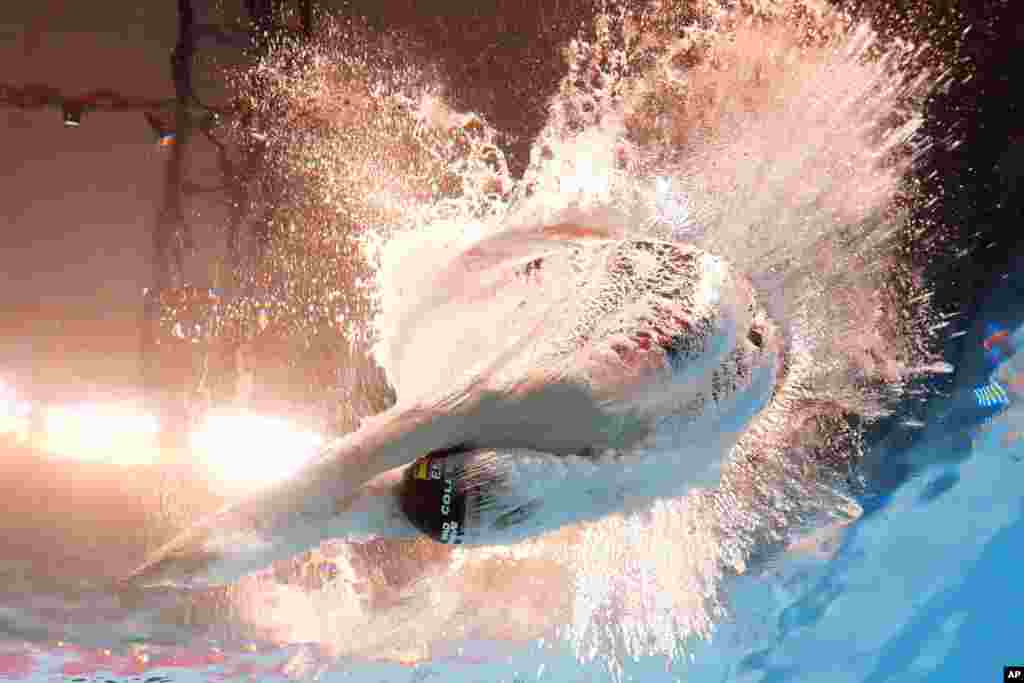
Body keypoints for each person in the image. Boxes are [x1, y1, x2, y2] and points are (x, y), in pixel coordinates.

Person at [125, 225, 785, 589]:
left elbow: (337, 505)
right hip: (704, 302)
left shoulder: (608, 484)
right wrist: (180, 563)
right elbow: (332, 476)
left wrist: (194, 566)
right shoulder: (525, 405)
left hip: (739, 373)